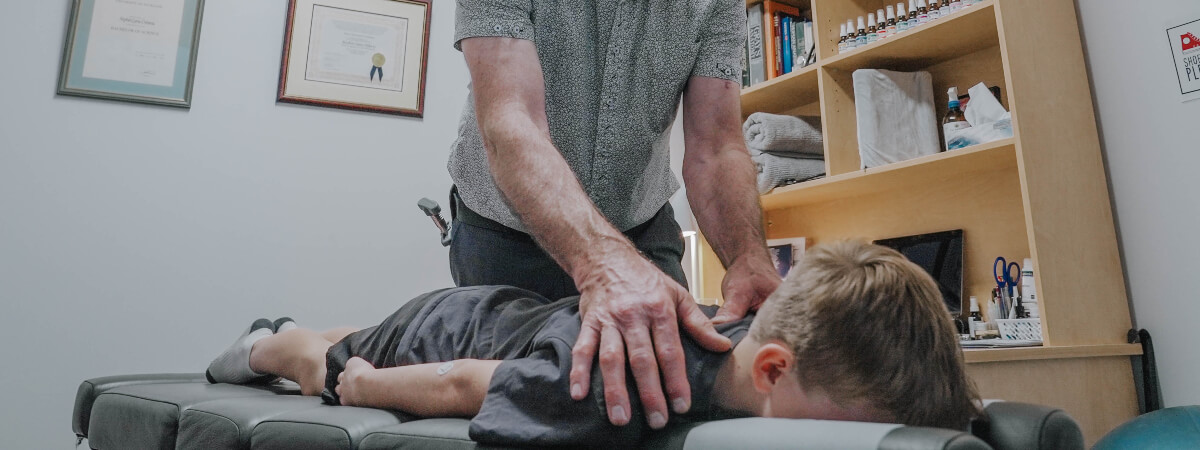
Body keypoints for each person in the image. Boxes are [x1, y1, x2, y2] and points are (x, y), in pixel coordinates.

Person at [206, 241, 981, 447]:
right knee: (329, 359)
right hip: (451, 333)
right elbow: (461, 386)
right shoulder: (620, 389)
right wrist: (365, 386)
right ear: (774, 371)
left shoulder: (763, 345)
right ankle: (272, 342)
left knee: (358, 329)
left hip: (528, 317)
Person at [448, 0, 781, 429]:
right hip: (505, 234)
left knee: (667, 403)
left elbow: (715, 147)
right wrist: (604, 263)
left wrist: (748, 258)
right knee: (518, 413)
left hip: (640, 230)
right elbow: (512, 122)